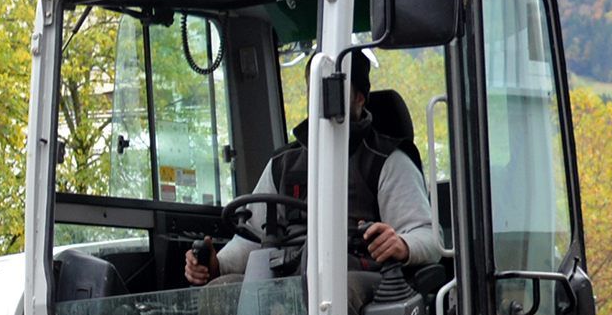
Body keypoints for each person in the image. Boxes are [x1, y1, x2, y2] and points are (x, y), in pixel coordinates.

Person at [182, 48, 442, 288]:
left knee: (340, 290)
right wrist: (216, 265)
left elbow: (428, 237)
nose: (323, 101)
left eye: (333, 90)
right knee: (221, 291)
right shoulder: (283, 163)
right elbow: (252, 239)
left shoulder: (387, 161)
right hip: (289, 273)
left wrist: (402, 244)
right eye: (315, 91)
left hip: (357, 275)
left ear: (360, 97)